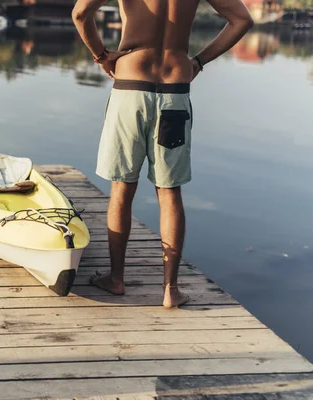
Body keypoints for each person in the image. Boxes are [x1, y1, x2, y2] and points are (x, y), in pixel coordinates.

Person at [72, 0, 253, 307]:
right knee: (169, 192)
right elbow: (241, 21)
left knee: (122, 189)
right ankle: (170, 288)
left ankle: (116, 279)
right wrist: (198, 61)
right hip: (175, 89)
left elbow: (80, 13)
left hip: (131, 86)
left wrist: (102, 56)